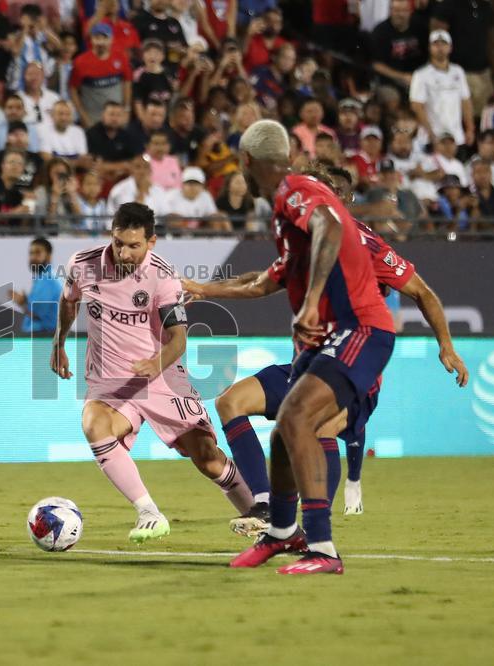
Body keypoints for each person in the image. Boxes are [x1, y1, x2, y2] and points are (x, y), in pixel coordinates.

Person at [182, 153, 469, 523]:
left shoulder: (367, 244)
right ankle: (264, 506)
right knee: (230, 402)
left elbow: (422, 292)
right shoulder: (301, 240)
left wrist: (446, 346)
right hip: (307, 365)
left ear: (343, 200)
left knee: (317, 425)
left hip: (351, 369)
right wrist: (205, 289)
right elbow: (260, 280)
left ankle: (317, 528)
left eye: (326, 192)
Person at [227, 119, 397, 574]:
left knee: (299, 419)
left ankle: (322, 548)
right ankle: (283, 533)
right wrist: (204, 289)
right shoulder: (287, 209)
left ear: (247, 162)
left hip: (357, 326)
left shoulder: (292, 192)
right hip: (332, 333)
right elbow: (270, 277)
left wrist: (310, 306)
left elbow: (328, 227)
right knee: (285, 428)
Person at [51, 202, 262, 543]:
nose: (124, 252)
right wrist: (58, 342)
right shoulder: (83, 265)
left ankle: (265, 521)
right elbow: (68, 301)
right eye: (119, 242)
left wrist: (155, 364)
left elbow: (179, 340)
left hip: (162, 376)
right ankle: (149, 512)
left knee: (207, 458)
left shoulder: (163, 277)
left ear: (151, 242)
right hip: (112, 381)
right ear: (111, 235)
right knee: (94, 423)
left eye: (134, 245)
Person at [409, 30, 474, 147]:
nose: (440, 48)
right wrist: (431, 133)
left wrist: (470, 129)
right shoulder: (421, 74)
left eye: (443, 44)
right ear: (429, 48)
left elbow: (466, 101)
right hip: (431, 137)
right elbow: (417, 106)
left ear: (450, 47)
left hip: (456, 137)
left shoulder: (458, 72)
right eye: (436, 44)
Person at [69, 22, 132, 128]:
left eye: (105, 38)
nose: (101, 42)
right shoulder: (80, 62)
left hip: (117, 117)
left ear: (111, 39)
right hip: (92, 118)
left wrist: (126, 110)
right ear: (91, 40)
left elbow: (127, 83)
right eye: (97, 38)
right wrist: (83, 116)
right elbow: (73, 89)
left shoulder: (121, 58)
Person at [7, 237, 62, 334]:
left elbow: (39, 314)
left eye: (38, 253)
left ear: (48, 256)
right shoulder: (43, 278)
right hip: (40, 337)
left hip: (42, 338)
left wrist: (23, 302)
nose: (33, 257)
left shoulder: (48, 280)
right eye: (31, 253)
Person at [369, 0, 427, 88]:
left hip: (419, 77)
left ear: (410, 11)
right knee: (391, 98)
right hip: (390, 80)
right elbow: (376, 64)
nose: (400, 14)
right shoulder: (380, 31)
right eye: (396, 10)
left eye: (404, 10)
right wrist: (401, 76)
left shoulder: (420, 28)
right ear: (390, 11)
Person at [161, 166, 220, 231]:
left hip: (199, 234)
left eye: (196, 184)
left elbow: (213, 216)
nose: (193, 187)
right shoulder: (171, 195)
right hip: (174, 235)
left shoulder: (205, 196)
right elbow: (164, 218)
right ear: (182, 184)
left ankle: (227, 238)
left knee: (219, 218)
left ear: (202, 186)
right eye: (189, 183)